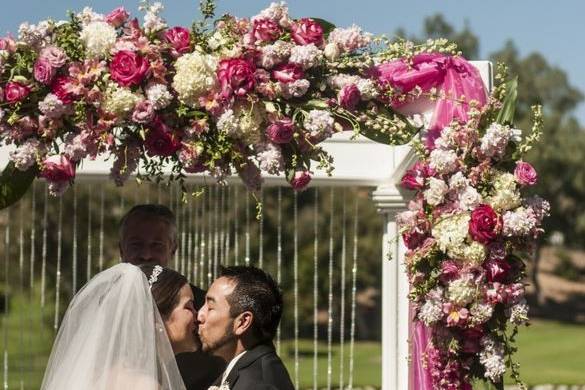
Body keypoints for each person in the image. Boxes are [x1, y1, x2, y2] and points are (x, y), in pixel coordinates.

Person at [119, 204, 225, 389]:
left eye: (157, 245)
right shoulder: (99, 305)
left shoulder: (204, 307)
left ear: (173, 249)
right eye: (136, 244)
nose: (146, 255)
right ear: (121, 249)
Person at [40, 263, 187, 389]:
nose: (198, 313)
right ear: (155, 320)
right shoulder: (144, 385)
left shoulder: (96, 374)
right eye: (189, 306)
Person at [198, 266, 294, 390]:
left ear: (243, 322)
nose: (199, 315)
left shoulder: (258, 385)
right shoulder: (245, 370)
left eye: (210, 307)